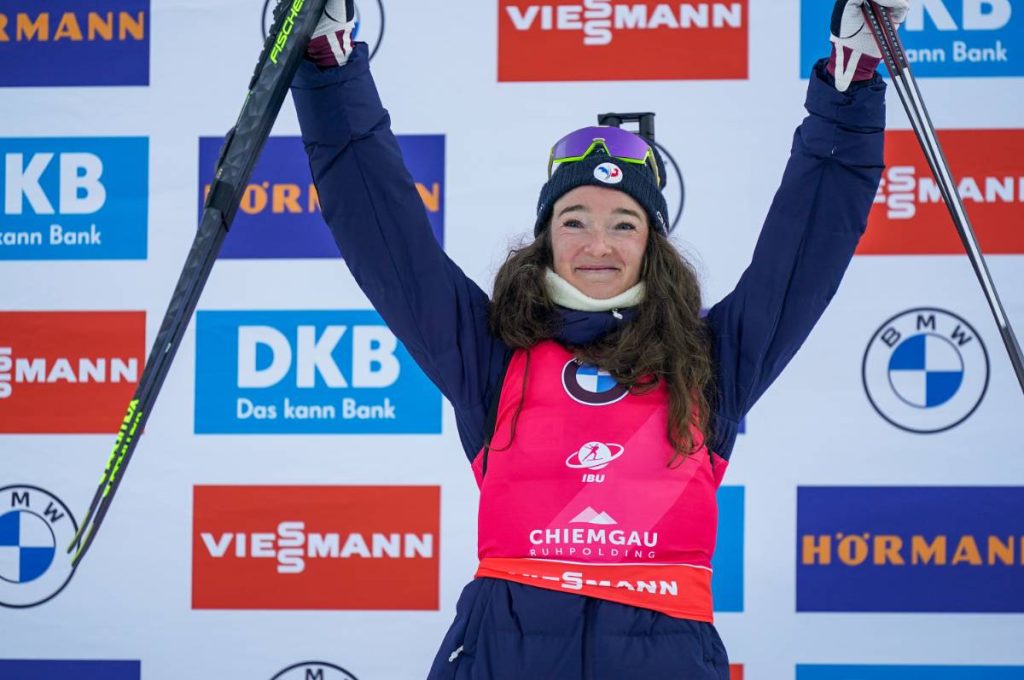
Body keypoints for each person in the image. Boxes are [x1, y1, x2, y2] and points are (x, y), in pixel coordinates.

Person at [290, 1, 909, 677]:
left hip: (664, 655)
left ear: (652, 246)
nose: (597, 245)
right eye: (575, 220)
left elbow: (809, 240)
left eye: (623, 224)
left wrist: (851, 83)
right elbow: (385, 232)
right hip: (505, 653)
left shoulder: (707, 361)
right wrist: (331, 71)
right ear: (545, 238)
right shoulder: (492, 354)